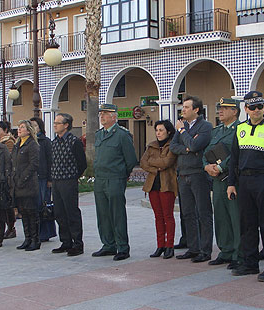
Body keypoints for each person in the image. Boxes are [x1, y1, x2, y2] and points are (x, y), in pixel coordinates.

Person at [227, 91, 264, 282]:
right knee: (247, 225)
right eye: (252, 107)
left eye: (259, 107)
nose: (256, 111)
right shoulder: (240, 129)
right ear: (246, 109)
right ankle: (250, 263)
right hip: (244, 182)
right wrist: (231, 183)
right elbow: (234, 158)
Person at [92, 103, 138, 261]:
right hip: (100, 179)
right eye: (101, 114)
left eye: (105, 113)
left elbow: (131, 159)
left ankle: (122, 247)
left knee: (117, 214)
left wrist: (121, 175)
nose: (102, 116)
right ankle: (108, 245)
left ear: (114, 116)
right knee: (103, 214)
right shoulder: (99, 134)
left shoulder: (122, 135)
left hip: (115, 178)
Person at [170, 95, 213, 263]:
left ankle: (205, 249)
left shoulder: (205, 127)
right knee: (187, 213)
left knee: (203, 212)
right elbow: (173, 147)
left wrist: (182, 132)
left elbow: (196, 145)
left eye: (187, 107)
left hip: (198, 174)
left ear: (196, 110)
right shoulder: (183, 125)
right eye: (183, 107)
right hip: (183, 174)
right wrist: (188, 148)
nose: (183, 109)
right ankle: (193, 248)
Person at [203, 98, 242, 268]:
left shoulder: (240, 130)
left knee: (235, 216)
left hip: (233, 179)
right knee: (220, 216)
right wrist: (206, 167)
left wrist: (220, 166)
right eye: (220, 108)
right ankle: (225, 251)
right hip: (217, 181)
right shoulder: (216, 131)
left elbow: (237, 154)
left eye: (225, 108)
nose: (220, 111)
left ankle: (238, 253)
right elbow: (206, 152)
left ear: (235, 111)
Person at [140, 120, 178, 259]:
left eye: (161, 130)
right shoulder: (151, 146)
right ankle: (160, 245)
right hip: (153, 185)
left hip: (167, 184)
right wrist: (156, 168)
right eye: (157, 130)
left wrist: (153, 163)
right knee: (158, 217)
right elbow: (143, 162)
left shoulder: (173, 144)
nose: (158, 133)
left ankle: (170, 246)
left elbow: (167, 162)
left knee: (168, 216)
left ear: (168, 131)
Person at [51, 113, 87, 256]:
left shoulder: (74, 142)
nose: (55, 125)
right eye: (54, 123)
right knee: (59, 213)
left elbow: (82, 163)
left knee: (72, 213)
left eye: (58, 123)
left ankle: (77, 244)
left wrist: (73, 176)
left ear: (66, 125)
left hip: (68, 181)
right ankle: (65, 242)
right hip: (56, 181)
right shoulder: (54, 142)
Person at [11, 120, 41, 251]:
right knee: (23, 212)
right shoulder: (18, 144)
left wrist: (23, 178)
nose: (19, 129)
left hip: (28, 184)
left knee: (31, 212)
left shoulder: (32, 145)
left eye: (22, 127)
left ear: (28, 130)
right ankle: (27, 238)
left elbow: (34, 164)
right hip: (18, 184)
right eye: (19, 127)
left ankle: (35, 239)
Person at [30, 117, 57, 242]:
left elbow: (50, 160)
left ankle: (46, 233)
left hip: (43, 177)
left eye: (35, 126)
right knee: (34, 206)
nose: (33, 128)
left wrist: (50, 178)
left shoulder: (45, 141)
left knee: (44, 205)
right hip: (31, 178)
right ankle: (35, 232)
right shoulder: (29, 142)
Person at [0, 120, 17, 239]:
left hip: (6, 177)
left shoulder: (8, 142)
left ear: (5, 131)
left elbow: (8, 159)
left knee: (7, 204)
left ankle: (11, 227)